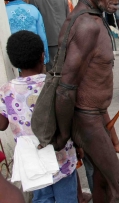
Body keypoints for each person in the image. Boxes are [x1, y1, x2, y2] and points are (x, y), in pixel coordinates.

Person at [54, 0, 119, 202]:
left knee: (101, 180)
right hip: (87, 119)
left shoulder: (92, 19)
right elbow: (66, 87)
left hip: (95, 115)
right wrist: (66, 135)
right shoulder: (87, 25)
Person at [0, 31, 77, 202]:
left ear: (14, 61)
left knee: (42, 198)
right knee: (67, 198)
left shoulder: (6, 90)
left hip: (32, 159)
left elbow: (2, 124)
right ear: (43, 56)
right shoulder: (55, 84)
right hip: (61, 156)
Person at [3, 0, 49, 65]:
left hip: (11, 60)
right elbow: (42, 35)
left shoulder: (3, 13)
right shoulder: (33, 9)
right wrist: (45, 57)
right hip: (34, 58)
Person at [29, 0, 69, 71]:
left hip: (48, 37)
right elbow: (68, 16)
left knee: (52, 68)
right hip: (64, 35)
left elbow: (34, 20)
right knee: (66, 64)